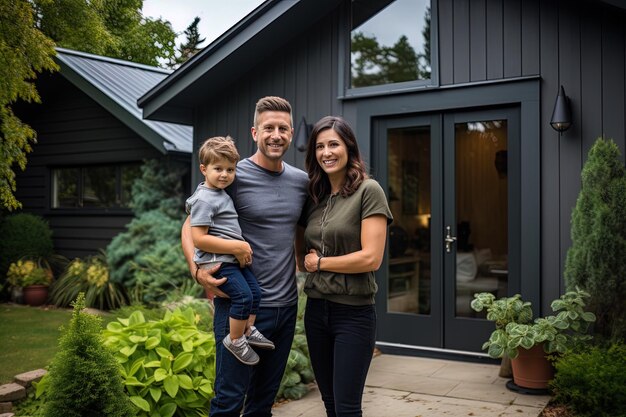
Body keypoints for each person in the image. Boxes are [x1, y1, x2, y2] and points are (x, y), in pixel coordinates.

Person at [181, 96, 309, 417]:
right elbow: (190, 224)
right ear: (255, 133)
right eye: (268, 128)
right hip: (241, 307)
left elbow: (299, 231)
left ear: (291, 133)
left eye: (282, 128)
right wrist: (197, 272)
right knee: (228, 401)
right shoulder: (233, 175)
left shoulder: (300, 181)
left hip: (285, 307)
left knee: (261, 404)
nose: (275, 135)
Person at [300, 116, 393, 417]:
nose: (326, 152)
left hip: (353, 314)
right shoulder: (314, 196)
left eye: (334, 144)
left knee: (348, 408)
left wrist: (320, 263)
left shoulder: (369, 191)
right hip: (316, 311)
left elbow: (371, 258)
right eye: (320, 146)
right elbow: (299, 249)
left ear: (349, 148)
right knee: (329, 403)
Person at [185, 136, 274, 367]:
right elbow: (199, 239)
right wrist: (238, 246)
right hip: (218, 262)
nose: (225, 174)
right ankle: (235, 340)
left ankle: (247, 330)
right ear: (204, 169)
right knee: (243, 296)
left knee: (254, 292)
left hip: (230, 261)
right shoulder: (204, 199)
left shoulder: (220, 193)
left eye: (230, 169)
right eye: (218, 169)